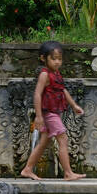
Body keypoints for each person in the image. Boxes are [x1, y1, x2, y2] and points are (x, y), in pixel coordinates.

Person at [20, 41, 86, 181]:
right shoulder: (44, 75)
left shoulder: (56, 73)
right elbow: (37, 94)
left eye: (60, 59)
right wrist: (38, 116)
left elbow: (62, 90)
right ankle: (68, 173)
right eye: (53, 58)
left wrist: (74, 106)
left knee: (44, 142)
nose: (57, 62)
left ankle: (27, 169)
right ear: (43, 58)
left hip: (53, 112)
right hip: (48, 113)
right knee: (63, 139)